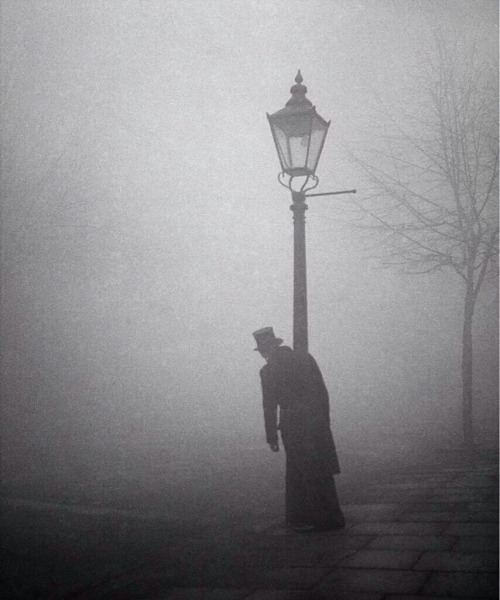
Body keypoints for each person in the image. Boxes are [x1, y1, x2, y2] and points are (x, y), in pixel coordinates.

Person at [253, 326, 345, 532]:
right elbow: (322, 392)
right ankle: (329, 516)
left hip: (293, 426)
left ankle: (316, 519)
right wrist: (323, 419)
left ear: (265, 350)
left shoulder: (268, 371)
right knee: (321, 470)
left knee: (302, 472)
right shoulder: (305, 359)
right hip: (316, 421)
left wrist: (271, 437)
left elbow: (269, 406)